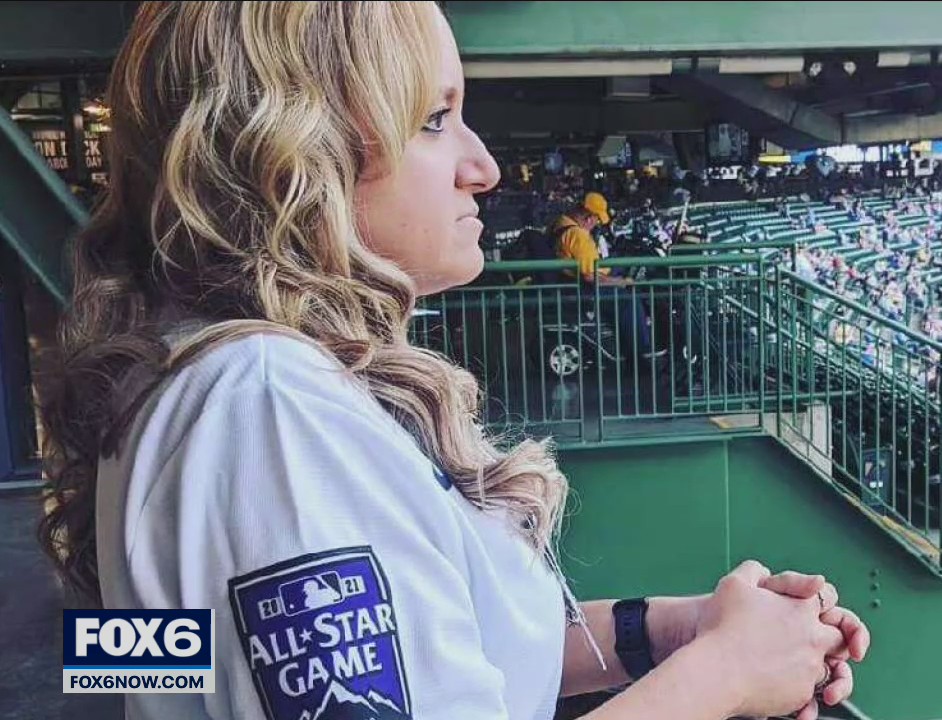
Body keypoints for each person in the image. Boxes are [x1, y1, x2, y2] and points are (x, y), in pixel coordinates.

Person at [36, 4, 869, 720]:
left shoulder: (218, 381)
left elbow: (401, 660)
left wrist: (667, 632)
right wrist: (724, 676)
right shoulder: (267, 409)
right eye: (435, 120)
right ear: (294, 157)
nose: (485, 167)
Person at [551, 192, 663, 360]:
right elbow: (589, 277)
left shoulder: (561, 222)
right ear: (589, 217)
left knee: (624, 268)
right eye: (597, 220)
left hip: (575, 280)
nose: (596, 225)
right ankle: (642, 351)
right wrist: (620, 282)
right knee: (629, 300)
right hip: (583, 288)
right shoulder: (578, 235)